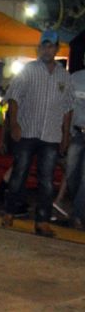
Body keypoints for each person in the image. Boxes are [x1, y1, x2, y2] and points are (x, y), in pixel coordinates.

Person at [2, 29, 75, 237]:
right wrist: (14, 124)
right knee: (19, 174)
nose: (47, 50)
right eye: (44, 45)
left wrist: (66, 135)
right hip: (27, 130)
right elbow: (14, 98)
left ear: (57, 49)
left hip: (51, 135)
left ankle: (42, 221)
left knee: (46, 180)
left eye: (51, 46)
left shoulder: (64, 76)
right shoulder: (29, 70)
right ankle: (9, 211)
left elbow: (68, 108)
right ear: (39, 48)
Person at [66, 60, 85, 229]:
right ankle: (78, 206)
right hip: (77, 133)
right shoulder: (75, 78)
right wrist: (66, 132)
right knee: (71, 174)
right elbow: (67, 106)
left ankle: (78, 215)